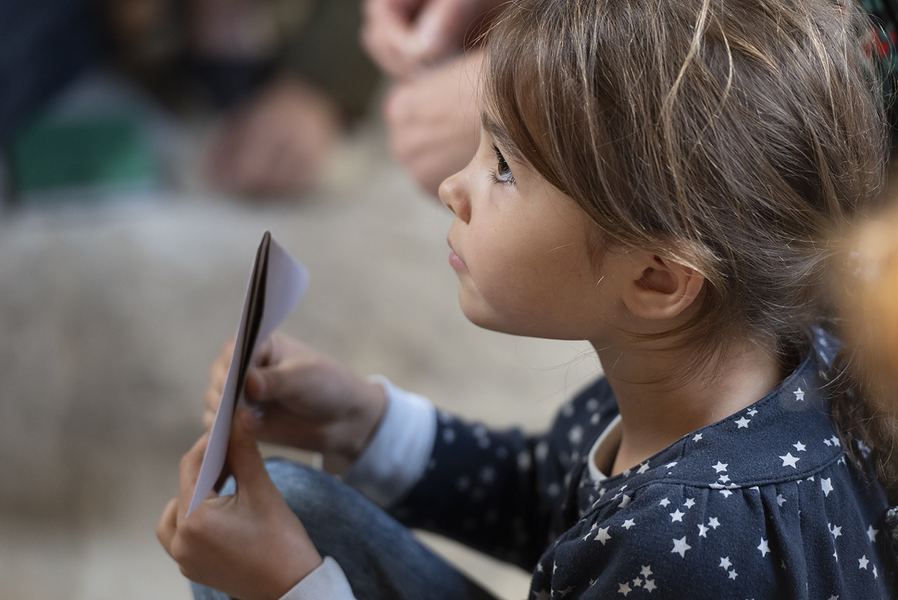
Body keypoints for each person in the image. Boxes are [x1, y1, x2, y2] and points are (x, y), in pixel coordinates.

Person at [157, 0, 898, 597]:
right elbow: (549, 495)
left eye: (504, 166)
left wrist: (291, 588)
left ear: (657, 279)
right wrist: (364, 420)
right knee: (289, 505)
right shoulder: (745, 364)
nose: (454, 187)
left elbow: (608, 534)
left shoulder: (679, 549)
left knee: (268, 541)